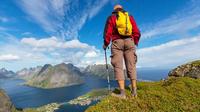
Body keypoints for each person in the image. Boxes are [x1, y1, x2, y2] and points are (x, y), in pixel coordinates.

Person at [103, 4, 141, 99]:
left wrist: (106, 44)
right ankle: (134, 91)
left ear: (114, 10)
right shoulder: (129, 16)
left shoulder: (112, 17)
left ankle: (122, 94)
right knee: (131, 65)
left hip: (117, 43)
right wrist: (134, 41)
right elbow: (136, 31)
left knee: (118, 67)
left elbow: (108, 32)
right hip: (130, 42)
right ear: (122, 9)